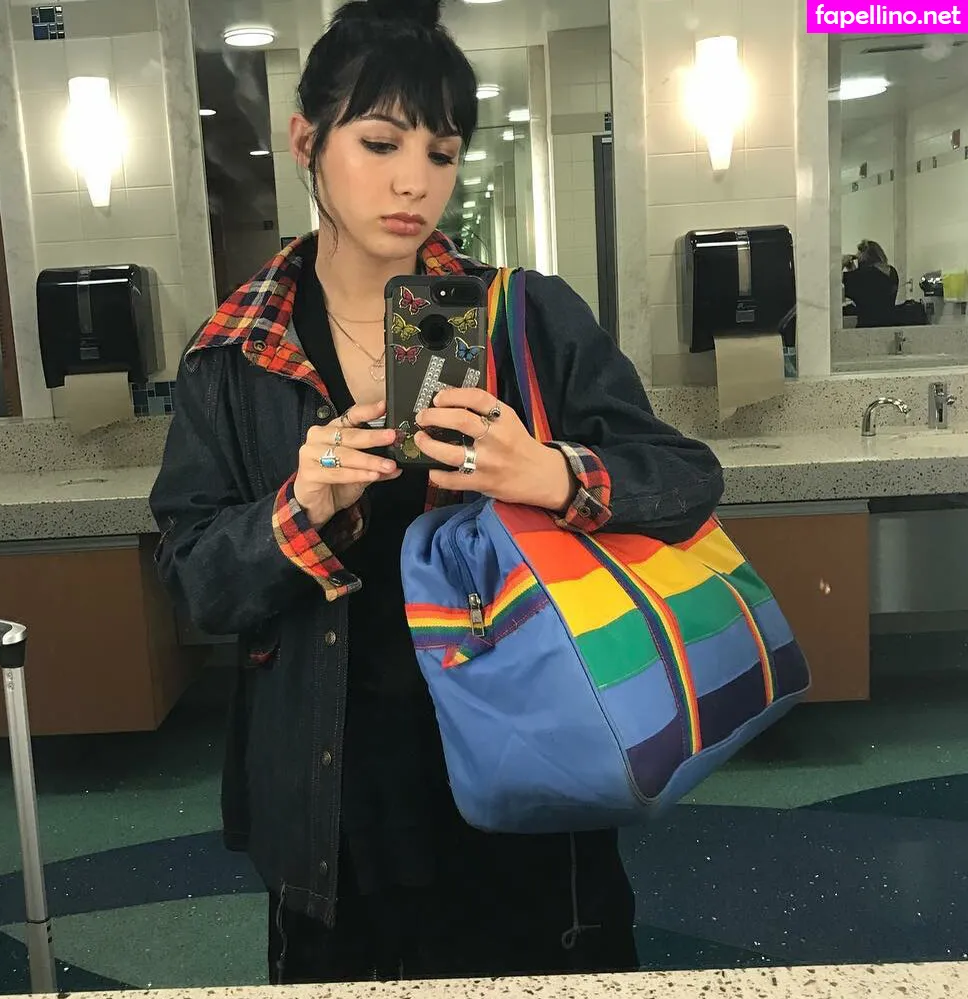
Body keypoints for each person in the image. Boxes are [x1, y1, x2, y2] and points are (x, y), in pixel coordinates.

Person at [150, 0, 724, 985]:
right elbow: (195, 582)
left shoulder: (520, 316)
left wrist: (550, 473)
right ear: (306, 142)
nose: (414, 181)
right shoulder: (238, 358)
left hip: (528, 774)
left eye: (442, 152)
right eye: (379, 143)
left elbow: (684, 481)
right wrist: (300, 508)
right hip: (336, 806)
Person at [842, 239, 899, 327]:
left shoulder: (863, 275)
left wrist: (841, 263)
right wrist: (852, 270)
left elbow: (834, 283)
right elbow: (868, 290)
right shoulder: (892, 272)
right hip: (889, 326)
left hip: (867, 328)